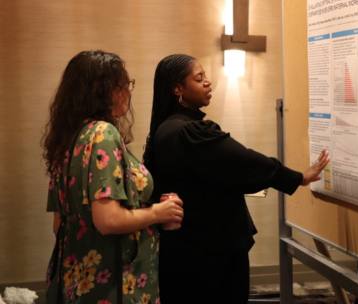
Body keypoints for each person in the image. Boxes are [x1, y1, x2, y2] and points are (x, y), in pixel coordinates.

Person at [143, 54, 330, 304]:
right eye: (199, 78)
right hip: (208, 254)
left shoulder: (165, 129)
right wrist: (297, 178)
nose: (208, 83)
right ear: (178, 88)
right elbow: (243, 162)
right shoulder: (189, 132)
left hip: (184, 250)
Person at [42, 50, 184, 303]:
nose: (128, 92)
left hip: (77, 280)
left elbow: (58, 225)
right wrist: (157, 213)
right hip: (114, 284)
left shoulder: (69, 139)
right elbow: (108, 220)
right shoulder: (102, 134)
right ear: (103, 91)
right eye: (124, 85)